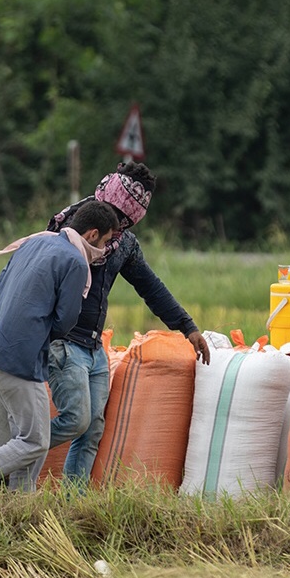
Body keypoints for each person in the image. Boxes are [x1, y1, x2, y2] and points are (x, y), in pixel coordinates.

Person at [0, 200, 119, 491]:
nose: (104, 251)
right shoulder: (74, 261)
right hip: (21, 360)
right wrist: (38, 334)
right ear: (93, 234)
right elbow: (67, 320)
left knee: (27, 438)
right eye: (106, 241)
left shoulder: (33, 244)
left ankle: (19, 504)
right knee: (35, 441)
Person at [44, 161, 211, 483]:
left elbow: (151, 287)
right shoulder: (66, 232)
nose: (115, 235)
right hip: (64, 344)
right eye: (115, 225)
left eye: (124, 226)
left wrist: (187, 327)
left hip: (93, 347)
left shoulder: (124, 245)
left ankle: (71, 504)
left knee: (91, 430)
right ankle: (9, 457)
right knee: (75, 421)